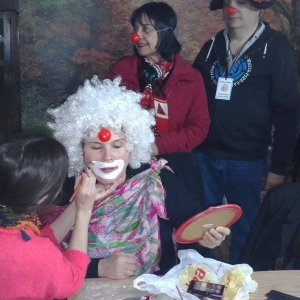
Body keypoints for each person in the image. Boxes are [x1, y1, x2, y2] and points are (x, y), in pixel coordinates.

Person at [42, 76, 230, 280]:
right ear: (80, 151)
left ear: (131, 148)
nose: (108, 156)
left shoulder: (154, 180)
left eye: (117, 146)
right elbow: (41, 257)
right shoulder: (63, 188)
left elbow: (192, 228)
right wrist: (99, 268)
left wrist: (206, 239)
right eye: (96, 147)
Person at [192, 0, 299, 264]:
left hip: (247, 160)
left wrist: (278, 167)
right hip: (203, 155)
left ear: (259, 6)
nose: (232, 8)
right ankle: (197, 278)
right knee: (200, 226)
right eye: (227, 1)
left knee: (246, 230)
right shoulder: (211, 46)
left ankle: (243, 283)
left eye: (241, 2)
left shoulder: (276, 48)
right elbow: (190, 94)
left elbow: (287, 113)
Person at [0, 134, 99, 299]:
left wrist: (76, 206)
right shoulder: (31, 254)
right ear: (41, 196)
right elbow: (72, 280)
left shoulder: (11, 221)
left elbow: (37, 241)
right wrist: (83, 211)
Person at [108, 1, 210, 156]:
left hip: (175, 158)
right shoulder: (122, 71)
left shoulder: (191, 78)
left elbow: (198, 128)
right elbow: (107, 119)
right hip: (129, 157)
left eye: (146, 29)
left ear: (165, 32)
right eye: (136, 29)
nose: (137, 36)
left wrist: (157, 147)